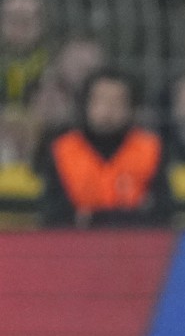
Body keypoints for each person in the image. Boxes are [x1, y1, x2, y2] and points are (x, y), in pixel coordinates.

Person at [37, 69, 172, 227]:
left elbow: (162, 210)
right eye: (100, 101)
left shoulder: (151, 149)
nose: (107, 110)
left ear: (131, 108)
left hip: (134, 244)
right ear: (86, 104)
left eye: (117, 102)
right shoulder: (61, 148)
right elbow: (52, 212)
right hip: (75, 244)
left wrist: (95, 217)